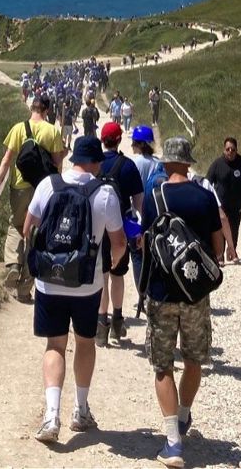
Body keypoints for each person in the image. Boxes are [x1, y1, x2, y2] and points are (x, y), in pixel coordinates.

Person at [23, 136, 127, 443]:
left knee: (55, 346)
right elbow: (119, 243)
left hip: (49, 282)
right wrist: (108, 264)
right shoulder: (104, 193)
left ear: (73, 159)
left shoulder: (47, 185)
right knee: (84, 343)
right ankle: (80, 411)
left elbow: (28, 227)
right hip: (87, 284)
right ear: (95, 162)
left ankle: (51, 415)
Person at [140, 137, 224, 468]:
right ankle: (185, 413)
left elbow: (146, 244)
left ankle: (172, 443)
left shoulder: (154, 196)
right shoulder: (204, 197)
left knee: (163, 366)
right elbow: (216, 249)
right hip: (195, 294)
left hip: (161, 293)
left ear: (166, 164)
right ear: (188, 163)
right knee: (194, 359)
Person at [0, 97, 65, 302]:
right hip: (43, 188)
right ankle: (25, 288)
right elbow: (58, 165)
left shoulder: (18, 129)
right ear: (47, 110)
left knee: (16, 225)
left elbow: (6, 161)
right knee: (36, 233)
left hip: (20, 188)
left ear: (31, 108)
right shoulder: (53, 131)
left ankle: (14, 264)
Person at [96, 122, 145, 345]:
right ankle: (117, 321)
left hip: (97, 227)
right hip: (121, 228)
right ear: (118, 140)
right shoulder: (127, 166)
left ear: (102, 140)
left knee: (102, 276)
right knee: (118, 275)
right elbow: (139, 203)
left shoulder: (94, 164)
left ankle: (100, 326)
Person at [205, 137, 241, 261]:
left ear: (237, 150)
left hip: (236, 204)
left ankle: (231, 251)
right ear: (224, 150)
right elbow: (207, 182)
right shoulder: (217, 164)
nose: (230, 152)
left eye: (233, 149)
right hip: (220, 205)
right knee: (220, 230)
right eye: (228, 149)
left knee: (234, 229)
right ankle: (220, 255)